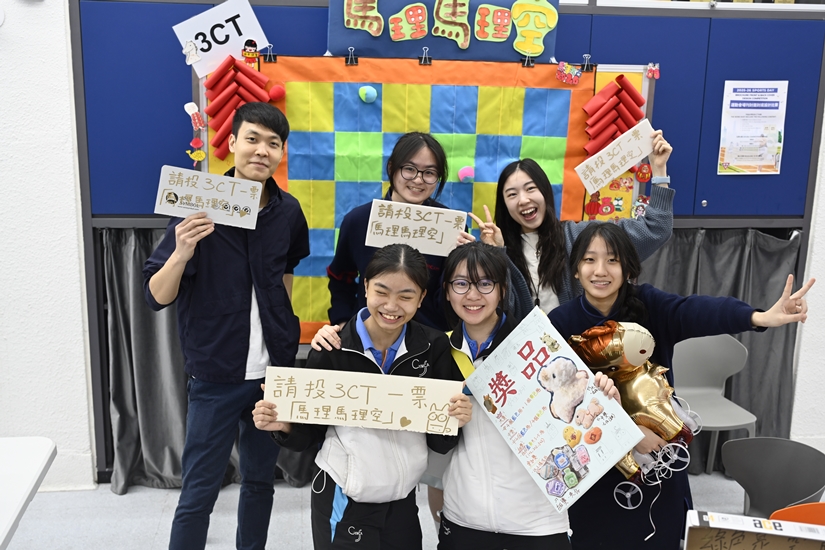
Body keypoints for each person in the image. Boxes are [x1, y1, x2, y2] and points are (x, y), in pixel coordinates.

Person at [547, 222, 815, 549]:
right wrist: (629, 434)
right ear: (576, 270)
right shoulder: (560, 323)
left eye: (612, 260)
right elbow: (560, 405)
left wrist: (757, 317)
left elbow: (698, 310)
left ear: (628, 268)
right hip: (596, 457)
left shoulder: (649, 304)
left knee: (661, 533)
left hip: (659, 448)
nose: (600, 270)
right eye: (589, 260)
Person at [143, 102, 309, 550]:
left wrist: (283, 325)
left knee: (260, 482)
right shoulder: (199, 205)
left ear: (282, 153)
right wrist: (181, 253)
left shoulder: (289, 212)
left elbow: (286, 270)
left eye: (273, 143)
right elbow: (156, 295)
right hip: (215, 373)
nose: (262, 151)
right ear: (232, 143)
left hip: (271, 374)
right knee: (199, 491)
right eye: (252, 139)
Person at [252, 243, 473, 550]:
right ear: (366, 286)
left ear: (422, 297)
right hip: (344, 498)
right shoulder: (332, 347)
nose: (392, 306)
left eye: (406, 295)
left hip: (403, 500)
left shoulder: (432, 347)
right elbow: (310, 436)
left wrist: (455, 421)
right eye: (382, 291)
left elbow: (439, 442)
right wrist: (284, 426)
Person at [437, 241, 620, 550]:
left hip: (538, 522)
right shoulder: (439, 351)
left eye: (485, 283)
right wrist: (449, 422)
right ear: (447, 291)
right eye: (461, 283)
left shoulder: (537, 345)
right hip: (465, 517)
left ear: (502, 290)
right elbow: (436, 444)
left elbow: (575, 418)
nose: (472, 294)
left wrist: (602, 398)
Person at [465, 130, 674, 315]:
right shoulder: (499, 249)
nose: (523, 200)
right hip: (525, 346)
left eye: (530, 189)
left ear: (545, 193)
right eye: (512, 194)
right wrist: (496, 253)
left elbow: (655, 229)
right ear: (504, 204)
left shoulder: (578, 236)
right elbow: (500, 310)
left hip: (579, 342)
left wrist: (659, 171)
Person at [327, 132, 452, 331]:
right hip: (369, 337)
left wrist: (464, 260)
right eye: (409, 169)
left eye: (429, 173)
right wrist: (343, 322)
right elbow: (341, 278)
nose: (418, 180)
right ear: (392, 167)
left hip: (429, 340)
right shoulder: (359, 221)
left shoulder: (449, 226)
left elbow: (450, 294)